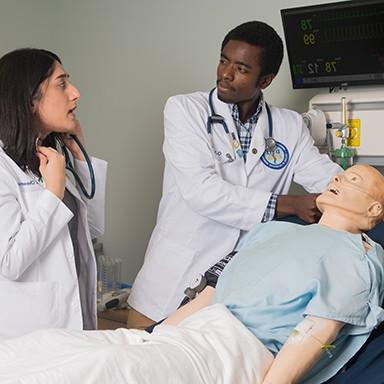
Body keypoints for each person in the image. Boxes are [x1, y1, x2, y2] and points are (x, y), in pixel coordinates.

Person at [0, 164, 382, 384]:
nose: (337, 179)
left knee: (100, 370)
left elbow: (315, 334)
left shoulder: (358, 259)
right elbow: (211, 295)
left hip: (238, 350)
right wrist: (153, 336)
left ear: (374, 210)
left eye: (354, 181)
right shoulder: (273, 230)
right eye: (340, 174)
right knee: (49, 346)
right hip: (190, 333)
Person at [127, 20, 342, 328]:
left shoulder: (289, 126)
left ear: (265, 79)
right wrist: (289, 204)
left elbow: (328, 179)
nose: (225, 74)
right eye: (223, 60)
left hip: (237, 291)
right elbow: (201, 191)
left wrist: (356, 191)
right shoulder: (186, 110)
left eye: (241, 68)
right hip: (170, 284)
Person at [0, 48, 107, 340]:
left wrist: (81, 157)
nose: (75, 93)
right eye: (62, 84)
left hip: (77, 328)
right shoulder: (3, 168)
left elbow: (93, 229)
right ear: (30, 100)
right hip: (31, 338)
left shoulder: (46, 160)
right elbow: (9, 261)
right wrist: (52, 194)